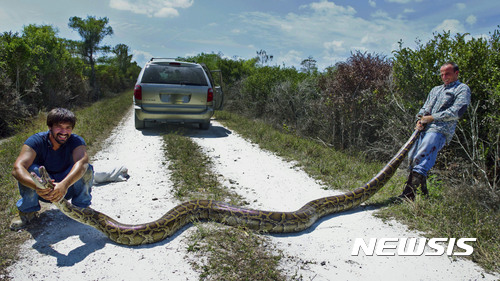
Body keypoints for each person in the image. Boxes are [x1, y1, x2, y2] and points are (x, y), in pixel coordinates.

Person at [10, 108, 94, 230]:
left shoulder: (76, 141)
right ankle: (27, 211)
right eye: (59, 127)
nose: (64, 132)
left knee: (87, 168)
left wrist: (64, 185)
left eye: (68, 127)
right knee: (31, 169)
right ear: (50, 127)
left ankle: (81, 207)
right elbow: (17, 169)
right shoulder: (36, 141)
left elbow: (82, 163)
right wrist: (38, 186)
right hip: (41, 189)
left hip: (66, 187)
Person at [400, 62, 471, 200]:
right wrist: (419, 119)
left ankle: (408, 195)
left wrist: (432, 118)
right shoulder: (435, 89)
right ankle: (423, 195)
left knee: (422, 157)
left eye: (448, 74)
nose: (444, 77)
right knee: (412, 158)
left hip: (439, 130)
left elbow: (457, 111)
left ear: (456, 73)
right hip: (423, 128)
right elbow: (425, 107)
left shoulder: (462, 89)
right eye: (442, 74)